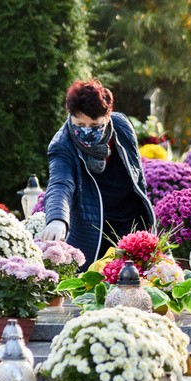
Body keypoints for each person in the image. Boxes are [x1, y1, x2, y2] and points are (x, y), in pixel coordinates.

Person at [40, 79, 155, 270]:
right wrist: (57, 220)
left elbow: (138, 175)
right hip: (93, 232)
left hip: (132, 225)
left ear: (108, 117)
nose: (85, 131)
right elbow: (60, 185)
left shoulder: (122, 126)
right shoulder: (62, 145)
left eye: (94, 125)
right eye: (79, 123)